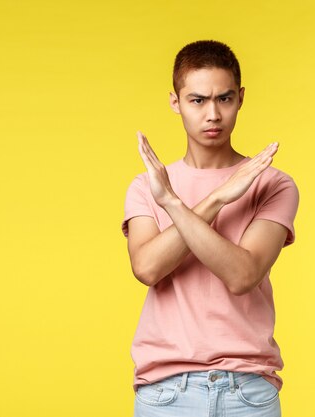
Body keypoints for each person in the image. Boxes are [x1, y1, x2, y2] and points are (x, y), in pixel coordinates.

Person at [122, 39, 300, 417]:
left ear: (241, 98)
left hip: (247, 393)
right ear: (176, 102)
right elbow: (148, 268)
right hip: (166, 393)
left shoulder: (273, 184)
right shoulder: (148, 185)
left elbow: (243, 275)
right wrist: (212, 199)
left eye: (225, 98)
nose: (213, 114)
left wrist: (178, 205)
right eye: (198, 100)